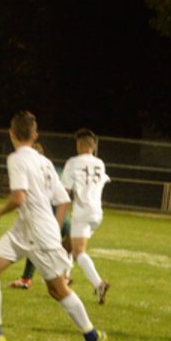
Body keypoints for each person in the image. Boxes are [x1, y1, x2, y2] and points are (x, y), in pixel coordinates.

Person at [0, 110, 107, 341]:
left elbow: (18, 198)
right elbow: (62, 200)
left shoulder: (17, 159)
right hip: (25, 229)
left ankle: (93, 337)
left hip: (38, 233)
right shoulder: (45, 162)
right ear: (34, 135)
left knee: (57, 289)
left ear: (11, 134)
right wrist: (54, 224)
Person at [9, 142, 72, 289]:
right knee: (57, 250)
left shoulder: (33, 171)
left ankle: (28, 279)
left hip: (48, 220)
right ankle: (65, 275)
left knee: (33, 246)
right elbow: (63, 196)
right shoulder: (51, 168)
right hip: (64, 219)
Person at [61, 128, 111, 304]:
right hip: (97, 213)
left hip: (82, 212)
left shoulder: (73, 163)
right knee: (67, 245)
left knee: (78, 252)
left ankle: (99, 284)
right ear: (94, 146)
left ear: (78, 145)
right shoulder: (100, 163)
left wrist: (59, 215)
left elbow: (65, 192)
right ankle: (65, 277)